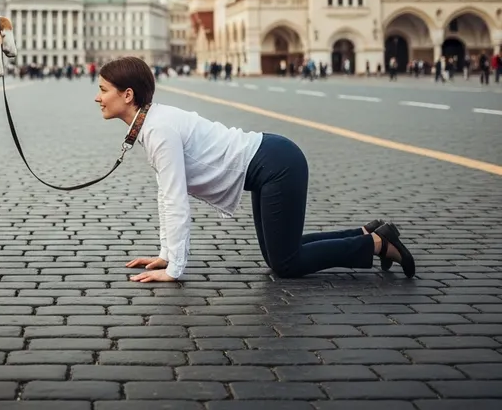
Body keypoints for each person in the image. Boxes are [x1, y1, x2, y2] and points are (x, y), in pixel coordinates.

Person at [95, 56, 415, 283]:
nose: (98, 98)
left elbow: (174, 199)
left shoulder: (158, 129)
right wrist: (166, 253)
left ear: (127, 95)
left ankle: (377, 245)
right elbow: (168, 196)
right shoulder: (154, 122)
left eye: (103, 90)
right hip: (270, 162)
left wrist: (174, 267)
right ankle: (365, 234)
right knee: (281, 255)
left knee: (286, 264)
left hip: (277, 165)